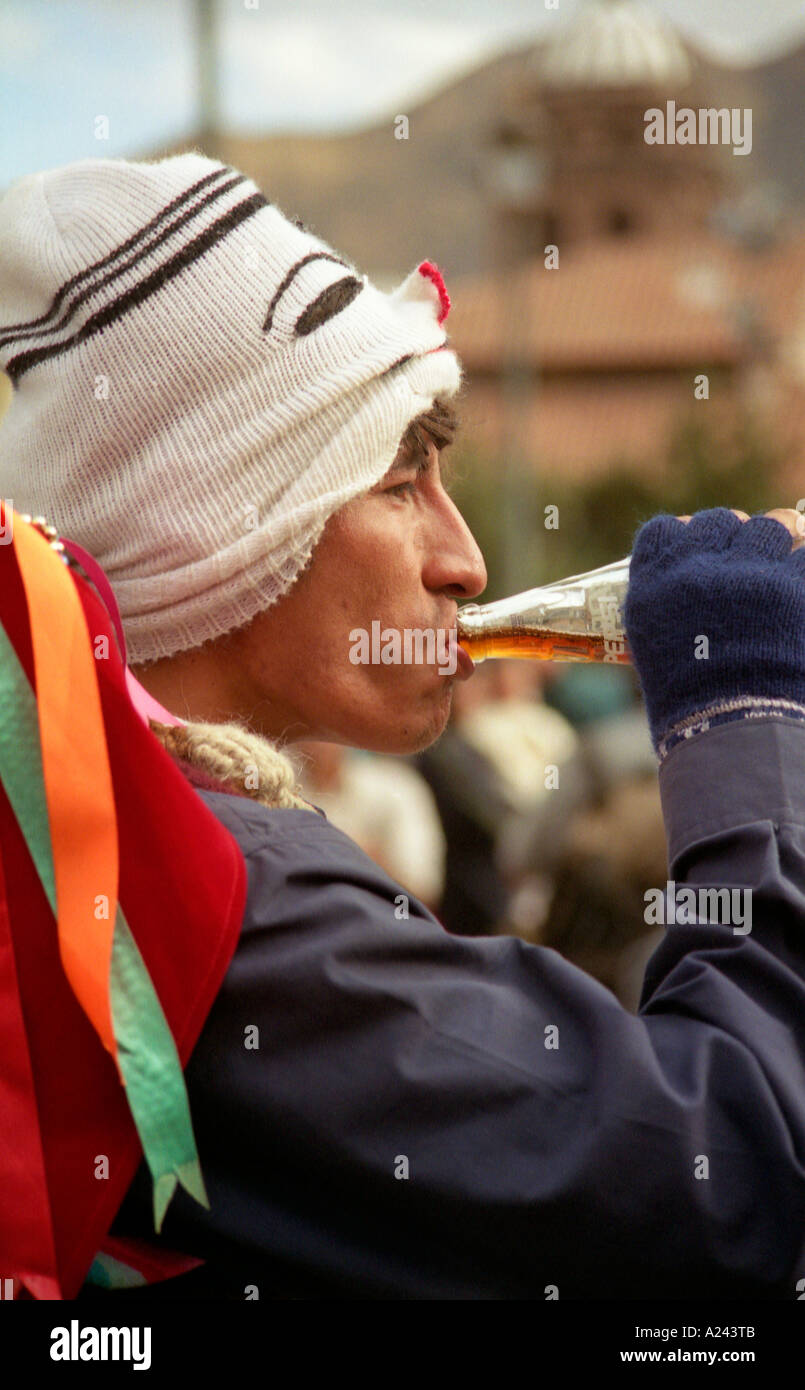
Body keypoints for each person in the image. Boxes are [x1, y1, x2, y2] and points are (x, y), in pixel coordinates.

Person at [1, 152, 805, 1301]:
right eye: (400, 477)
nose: (465, 562)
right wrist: (750, 714)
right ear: (224, 528)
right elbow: (732, 1182)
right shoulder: (220, 904)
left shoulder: (86, 857)